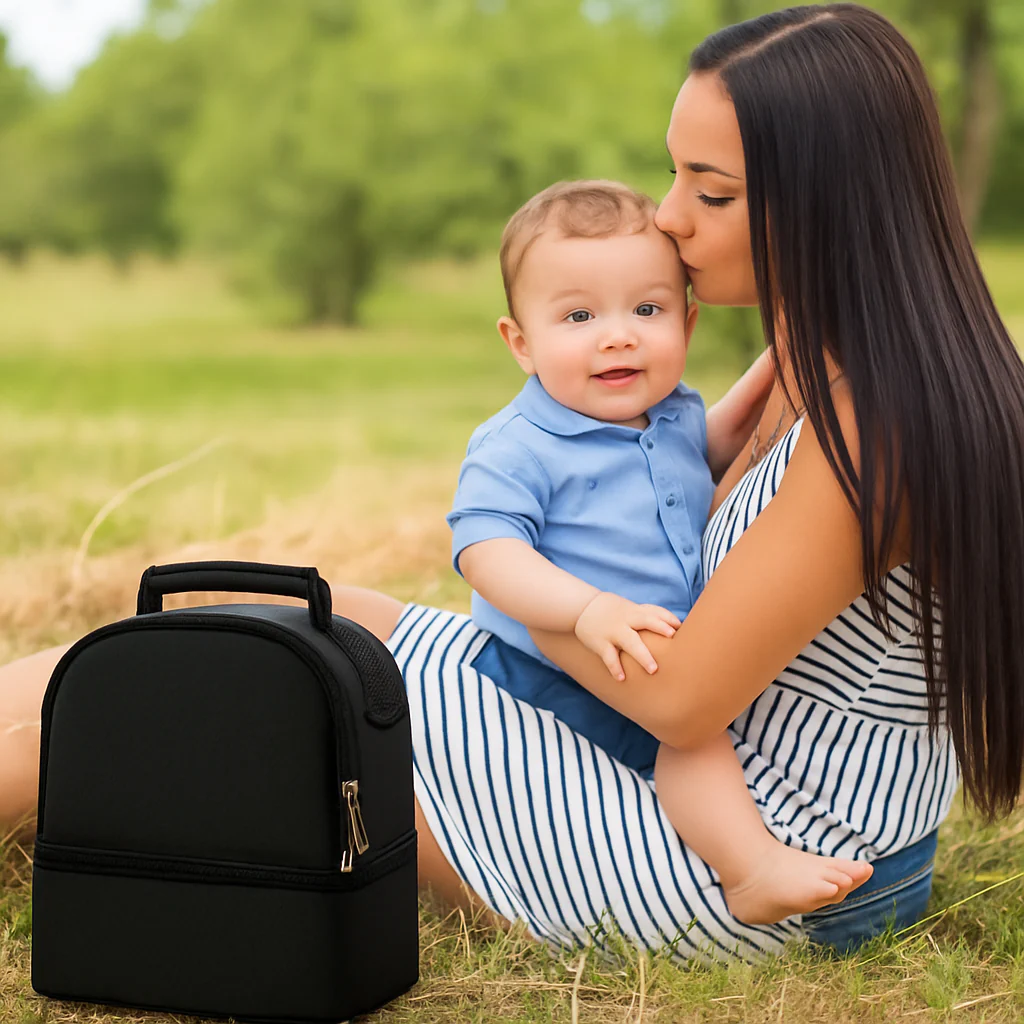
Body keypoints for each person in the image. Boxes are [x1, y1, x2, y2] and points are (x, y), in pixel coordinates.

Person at [2, 2, 1023, 962]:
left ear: (825, 204)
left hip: (761, 852)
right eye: (675, 176)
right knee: (278, 614)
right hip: (687, 760)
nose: (668, 219)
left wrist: (517, 595)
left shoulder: (878, 419)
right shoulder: (815, 350)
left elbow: (677, 699)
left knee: (268, 682)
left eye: (710, 194)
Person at [449, 176, 872, 924]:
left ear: (688, 322)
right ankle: (750, 870)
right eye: (578, 315)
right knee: (694, 744)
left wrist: (778, 365)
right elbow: (486, 551)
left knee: (695, 729)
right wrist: (585, 610)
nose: (618, 335)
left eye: (648, 310)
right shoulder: (518, 446)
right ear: (521, 342)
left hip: (657, 645)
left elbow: (695, 464)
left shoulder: (670, 413)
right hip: (567, 664)